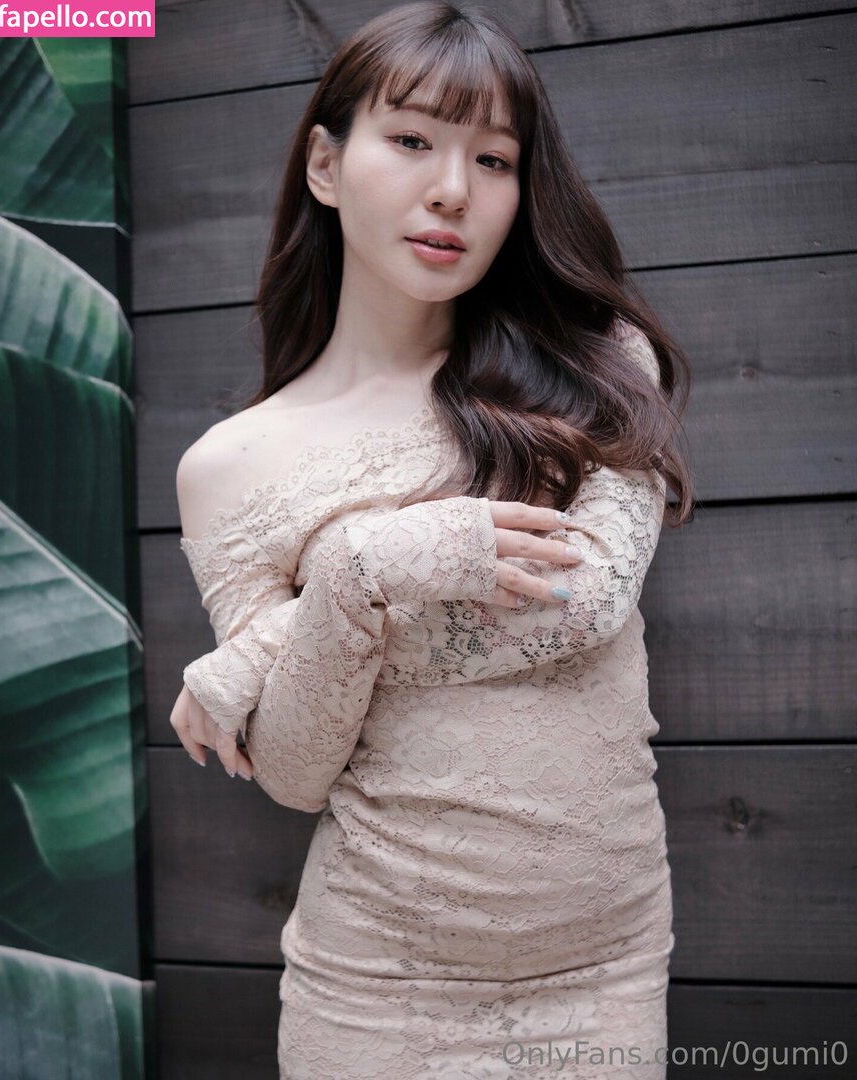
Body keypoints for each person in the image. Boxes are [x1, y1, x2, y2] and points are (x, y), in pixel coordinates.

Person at [170, 2, 695, 1076]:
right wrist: (364, 570)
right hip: (374, 992)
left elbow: (584, 602)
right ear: (327, 165)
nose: (453, 189)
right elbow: (296, 767)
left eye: (493, 159)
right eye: (411, 139)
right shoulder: (229, 466)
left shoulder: (594, 367)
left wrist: (271, 645)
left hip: (601, 974)